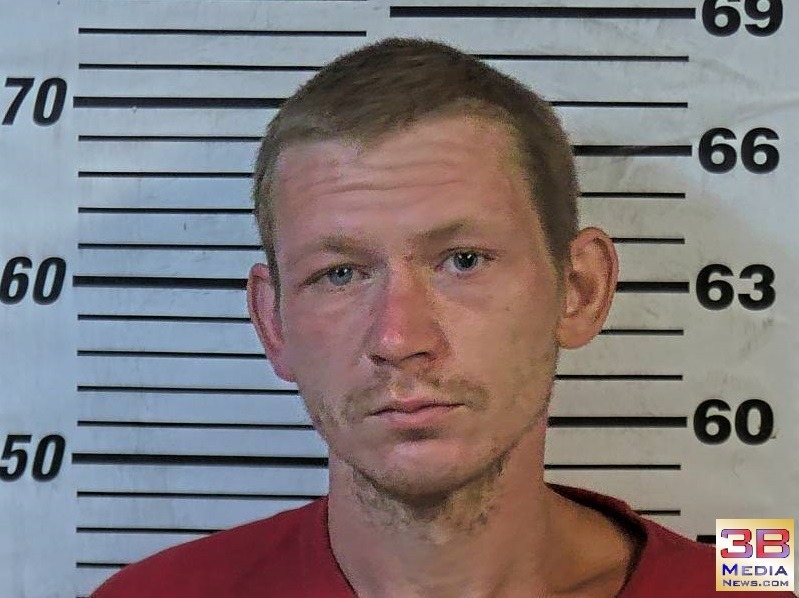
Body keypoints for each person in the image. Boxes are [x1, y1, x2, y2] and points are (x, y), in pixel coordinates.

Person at [92, 37, 792, 598]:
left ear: (579, 291)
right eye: (340, 274)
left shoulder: (753, 588)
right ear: (272, 324)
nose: (399, 339)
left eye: (463, 260)